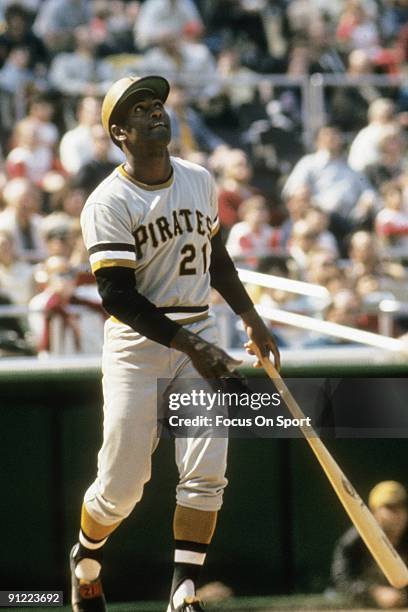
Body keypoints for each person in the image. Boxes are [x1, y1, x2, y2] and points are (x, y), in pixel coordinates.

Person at [69, 75, 280, 612]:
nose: (156, 112)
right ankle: (86, 559)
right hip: (138, 345)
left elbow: (215, 257)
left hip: (199, 332)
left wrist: (251, 317)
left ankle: (183, 589)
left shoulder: (199, 179)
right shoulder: (108, 201)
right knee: (121, 487)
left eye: (158, 103)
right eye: (140, 109)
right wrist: (193, 345)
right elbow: (118, 297)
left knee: (208, 473)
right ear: (120, 132)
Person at [329, 480, 408, 609]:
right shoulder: (353, 542)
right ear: (374, 512)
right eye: (390, 507)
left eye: (402, 506)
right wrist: (374, 593)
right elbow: (341, 581)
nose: (398, 514)